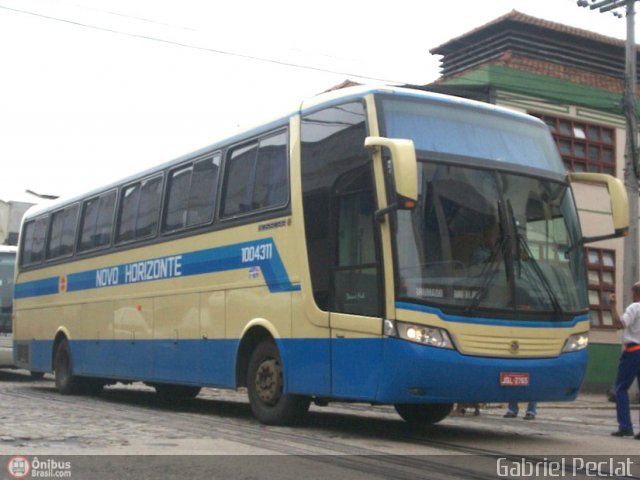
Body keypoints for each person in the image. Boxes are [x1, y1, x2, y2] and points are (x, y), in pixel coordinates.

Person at [609, 286, 640, 439]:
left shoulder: (635, 307)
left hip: (633, 351)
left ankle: (625, 427)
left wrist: (613, 306)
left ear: (636, 293)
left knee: (621, 388)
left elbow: (619, 324)